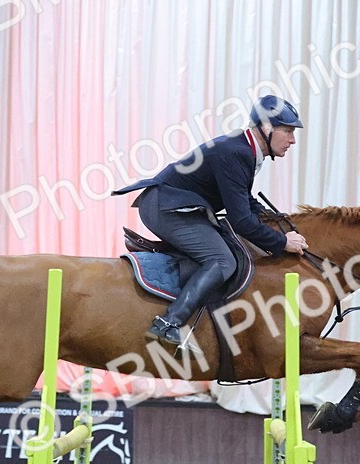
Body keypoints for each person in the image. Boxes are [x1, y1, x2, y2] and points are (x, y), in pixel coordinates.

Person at [114, 95, 308, 351]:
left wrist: (278, 222)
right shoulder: (237, 152)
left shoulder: (244, 149)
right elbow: (241, 221)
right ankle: (169, 323)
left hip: (174, 205)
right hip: (166, 208)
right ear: (267, 127)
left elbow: (243, 199)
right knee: (222, 260)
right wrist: (282, 242)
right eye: (289, 131)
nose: (293, 140)